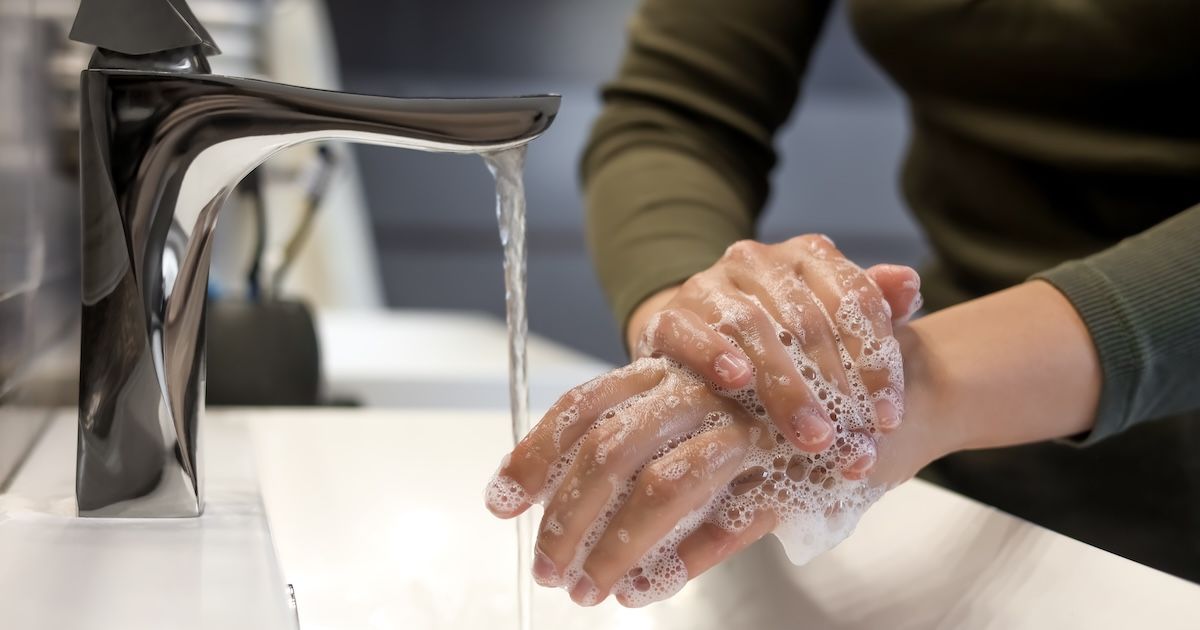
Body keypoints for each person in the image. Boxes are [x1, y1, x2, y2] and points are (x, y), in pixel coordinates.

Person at [486, 0, 1200, 605]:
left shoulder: (893, 400)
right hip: (941, 477)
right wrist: (712, 338)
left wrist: (921, 382)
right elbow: (678, 111)